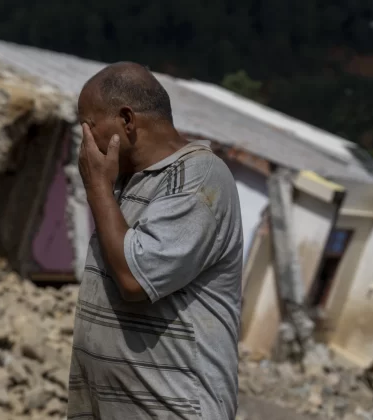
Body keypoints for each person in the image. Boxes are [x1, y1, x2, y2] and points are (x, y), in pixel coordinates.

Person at [67, 62, 243, 420]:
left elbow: (134, 278)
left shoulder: (197, 178)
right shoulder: (127, 182)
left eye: (89, 124)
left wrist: (98, 187)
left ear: (127, 121)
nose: (84, 138)